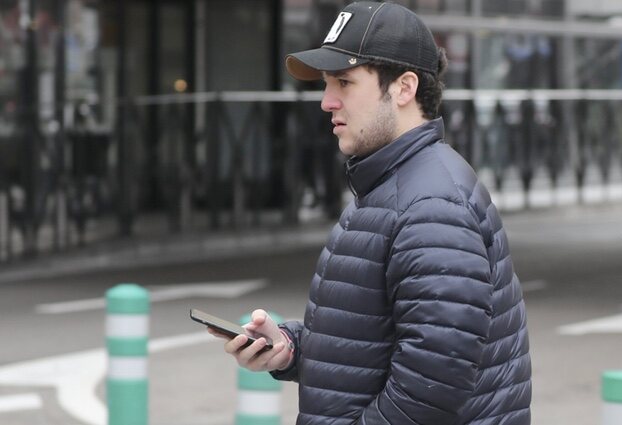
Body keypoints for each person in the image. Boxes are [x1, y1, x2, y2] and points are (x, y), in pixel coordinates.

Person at [210, 2, 531, 424]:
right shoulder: (392, 188)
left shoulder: (432, 205)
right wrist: (290, 347)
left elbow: (431, 385)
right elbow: (376, 342)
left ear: (403, 88)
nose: (327, 102)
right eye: (327, 84)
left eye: (344, 82)